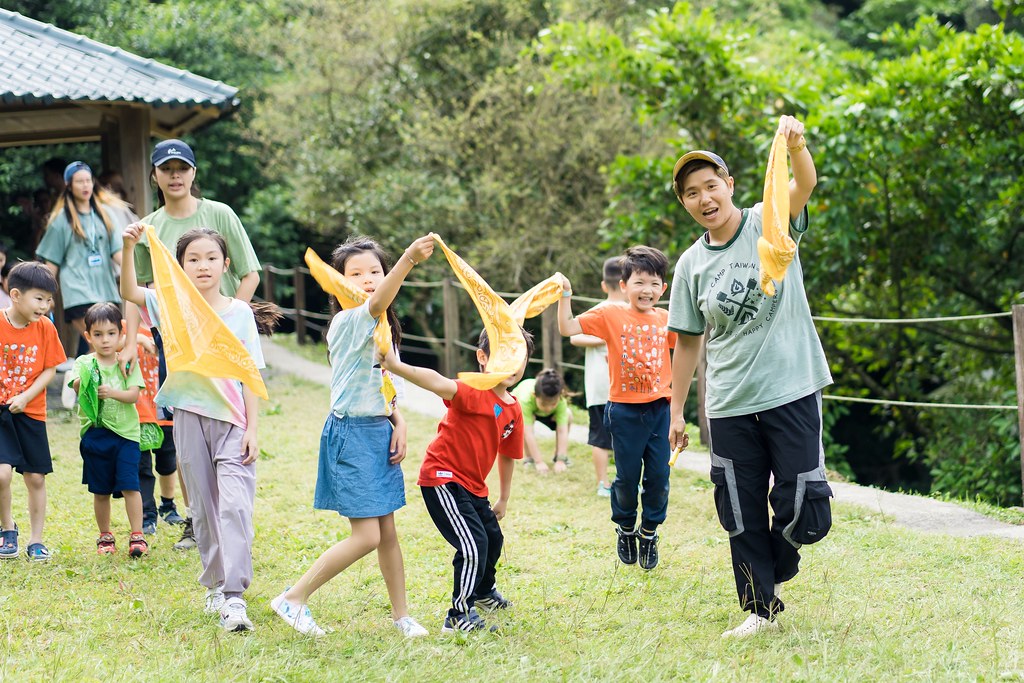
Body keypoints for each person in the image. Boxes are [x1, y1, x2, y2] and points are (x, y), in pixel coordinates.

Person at [667, 115, 833, 638]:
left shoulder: (769, 222)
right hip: (730, 403)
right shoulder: (690, 265)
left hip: (791, 388)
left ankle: (778, 562)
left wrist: (796, 144)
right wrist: (675, 409)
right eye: (691, 193)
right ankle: (758, 608)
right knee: (738, 511)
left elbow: (803, 183)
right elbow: (689, 342)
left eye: (710, 185)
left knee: (805, 509)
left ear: (730, 185)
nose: (703, 198)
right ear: (685, 204)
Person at [270, 234, 434, 639]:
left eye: (375, 271)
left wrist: (399, 421)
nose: (368, 280)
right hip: (351, 436)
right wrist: (409, 260)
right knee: (366, 536)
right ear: (338, 283)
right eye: (356, 274)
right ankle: (293, 598)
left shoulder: (382, 325)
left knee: (387, 533)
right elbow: (376, 302)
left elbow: (382, 380)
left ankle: (402, 616)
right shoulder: (350, 320)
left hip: (378, 431)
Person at [121, 225, 267, 633]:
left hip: (232, 421)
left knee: (235, 506)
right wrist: (129, 246)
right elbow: (131, 292)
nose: (203, 265)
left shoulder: (240, 313)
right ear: (181, 267)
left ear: (226, 264)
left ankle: (235, 597)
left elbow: (250, 374)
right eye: (193, 259)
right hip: (187, 418)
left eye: (211, 258)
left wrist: (253, 428)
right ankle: (215, 586)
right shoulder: (169, 304)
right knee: (202, 509)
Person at [123, 139, 262, 551]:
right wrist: (134, 340)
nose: (176, 175)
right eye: (167, 169)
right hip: (178, 344)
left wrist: (227, 324)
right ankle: (195, 518)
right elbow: (140, 291)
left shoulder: (220, 213)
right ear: (155, 176)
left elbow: (249, 272)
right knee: (187, 429)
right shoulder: (150, 226)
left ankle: (230, 506)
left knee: (231, 421)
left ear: (194, 173)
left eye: (183, 168)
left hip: (225, 342)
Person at [381, 327, 533, 633]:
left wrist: (503, 497)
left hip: (475, 487)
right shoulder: (472, 390)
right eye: (503, 356)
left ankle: (482, 593)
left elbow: (508, 454)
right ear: (482, 357)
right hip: (443, 478)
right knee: (473, 544)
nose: (512, 365)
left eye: (519, 357)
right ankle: (458, 615)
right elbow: (436, 381)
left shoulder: (514, 408)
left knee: (493, 539)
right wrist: (396, 366)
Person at [557, 246, 677, 571]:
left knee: (659, 478)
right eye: (639, 282)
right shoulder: (610, 314)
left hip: (660, 411)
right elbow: (567, 328)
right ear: (623, 286)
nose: (647, 290)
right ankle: (625, 527)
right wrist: (565, 293)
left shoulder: (668, 320)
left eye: (654, 283)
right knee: (626, 480)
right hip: (623, 412)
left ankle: (649, 532)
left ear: (663, 288)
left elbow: (694, 347)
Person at [66, 303, 147, 557]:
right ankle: (105, 535)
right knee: (100, 490)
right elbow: (76, 386)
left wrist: (112, 393)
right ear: (88, 336)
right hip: (95, 434)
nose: (105, 340)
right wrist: (86, 380)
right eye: (98, 335)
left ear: (121, 335)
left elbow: (134, 395)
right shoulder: (84, 362)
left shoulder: (126, 361)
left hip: (126, 435)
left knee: (130, 485)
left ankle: (138, 535)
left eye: (111, 333)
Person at [0, 262, 66, 561]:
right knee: (1, 475)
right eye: (39, 298)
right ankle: (7, 529)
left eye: (48, 299)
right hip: (2, 413)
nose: (45, 305)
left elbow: (50, 367)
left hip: (31, 412)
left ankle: (36, 539)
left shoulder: (46, 327)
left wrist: (26, 396)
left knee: (36, 477)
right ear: (15, 295)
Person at [35, 161, 128, 358]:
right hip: (77, 291)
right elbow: (51, 263)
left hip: (106, 290)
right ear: (69, 185)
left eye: (88, 181)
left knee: (108, 347)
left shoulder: (105, 214)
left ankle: (95, 387)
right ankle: (92, 388)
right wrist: (44, 295)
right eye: (79, 182)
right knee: (97, 343)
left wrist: (143, 275)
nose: (85, 185)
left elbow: (118, 253)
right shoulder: (61, 219)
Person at [570, 256, 628, 497]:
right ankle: (625, 482)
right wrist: (605, 338)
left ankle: (604, 483)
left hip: (600, 387)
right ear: (626, 283)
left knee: (600, 437)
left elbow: (573, 335)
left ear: (604, 285)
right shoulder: (633, 311)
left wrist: (598, 339)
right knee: (628, 438)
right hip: (627, 388)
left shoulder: (596, 311)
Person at [133, 323, 184, 536]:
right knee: (142, 466)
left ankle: (168, 504)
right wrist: (139, 339)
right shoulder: (126, 328)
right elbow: (110, 342)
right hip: (140, 413)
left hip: (168, 410)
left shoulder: (174, 326)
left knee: (168, 463)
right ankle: (147, 513)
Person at [511, 368, 572, 474]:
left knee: (569, 415)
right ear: (535, 395)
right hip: (518, 410)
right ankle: (529, 458)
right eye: (544, 404)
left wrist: (561, 460)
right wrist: (539, 462)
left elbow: (562, 431)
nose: (548, 408)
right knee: (523, 423)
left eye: (553, 404)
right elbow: (528, 433)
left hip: (541, 413)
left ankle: (558, 456)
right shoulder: (526, 398)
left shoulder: (561, 399)